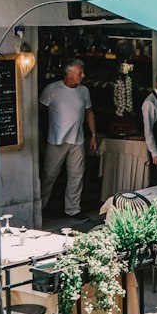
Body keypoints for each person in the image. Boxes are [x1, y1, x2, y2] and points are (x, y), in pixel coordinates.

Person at [40, 58, 96, 220]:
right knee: (49, 174)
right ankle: (40, 207)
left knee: (76, 175)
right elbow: (39, 109)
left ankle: (73, 209)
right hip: (56, 139)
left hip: (77, 140)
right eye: (80, 72)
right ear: (69, 73)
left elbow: (89, 112)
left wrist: (93, 135)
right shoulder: (52, 89)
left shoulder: (84, 91)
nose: (83, 75)